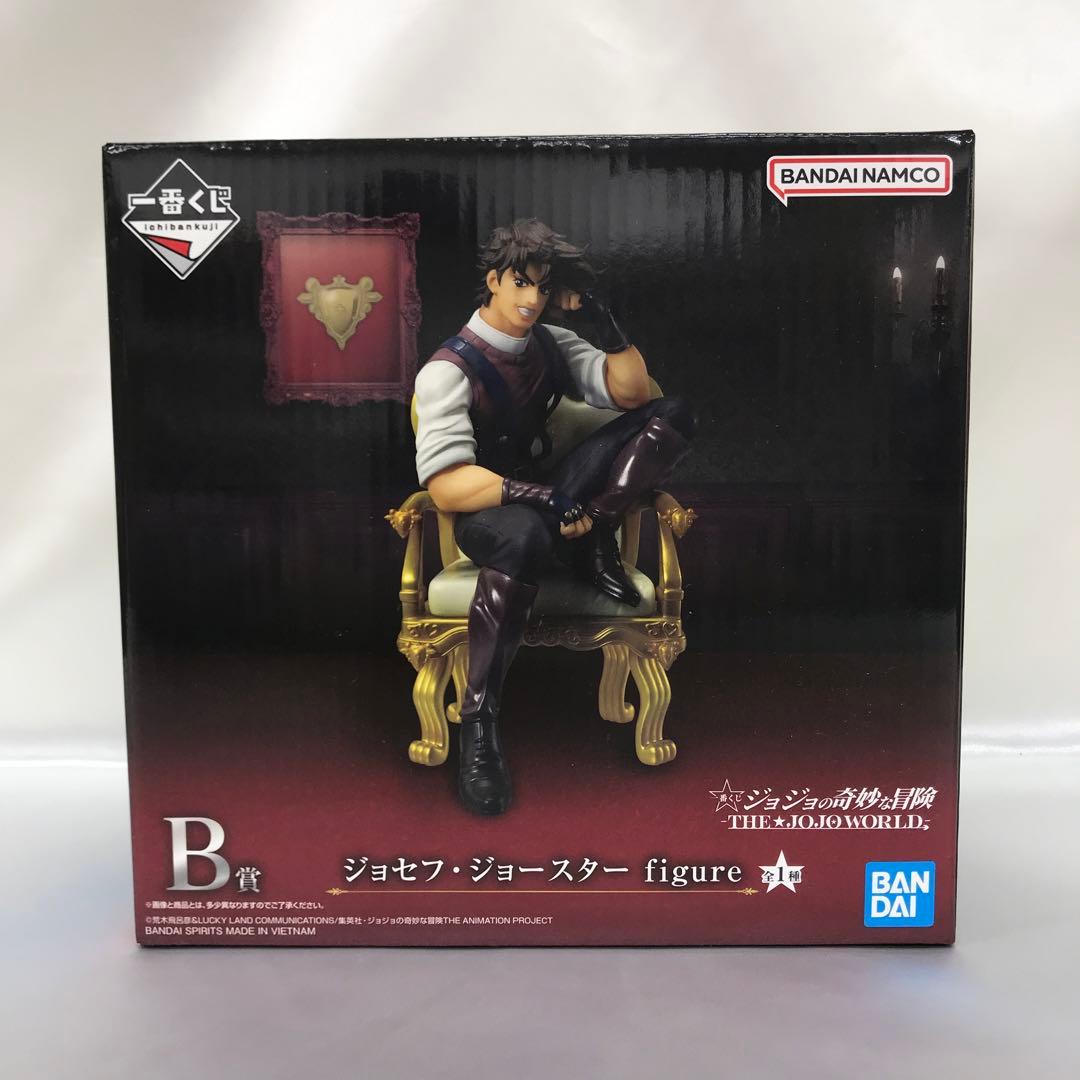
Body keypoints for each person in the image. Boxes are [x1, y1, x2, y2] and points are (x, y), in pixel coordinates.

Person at [414, 219, 695, 815]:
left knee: (672, 413)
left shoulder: (551, 342)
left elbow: (634, 396)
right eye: (521, 283)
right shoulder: (447, 370)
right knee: (521, 537)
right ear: (493, 280)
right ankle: (479, 729)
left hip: (563, 497)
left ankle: (592, 534)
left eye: (543, 287)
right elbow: (446, 485)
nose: (532, 299)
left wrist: (604, 324)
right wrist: (541, 498)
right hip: (493, 512)